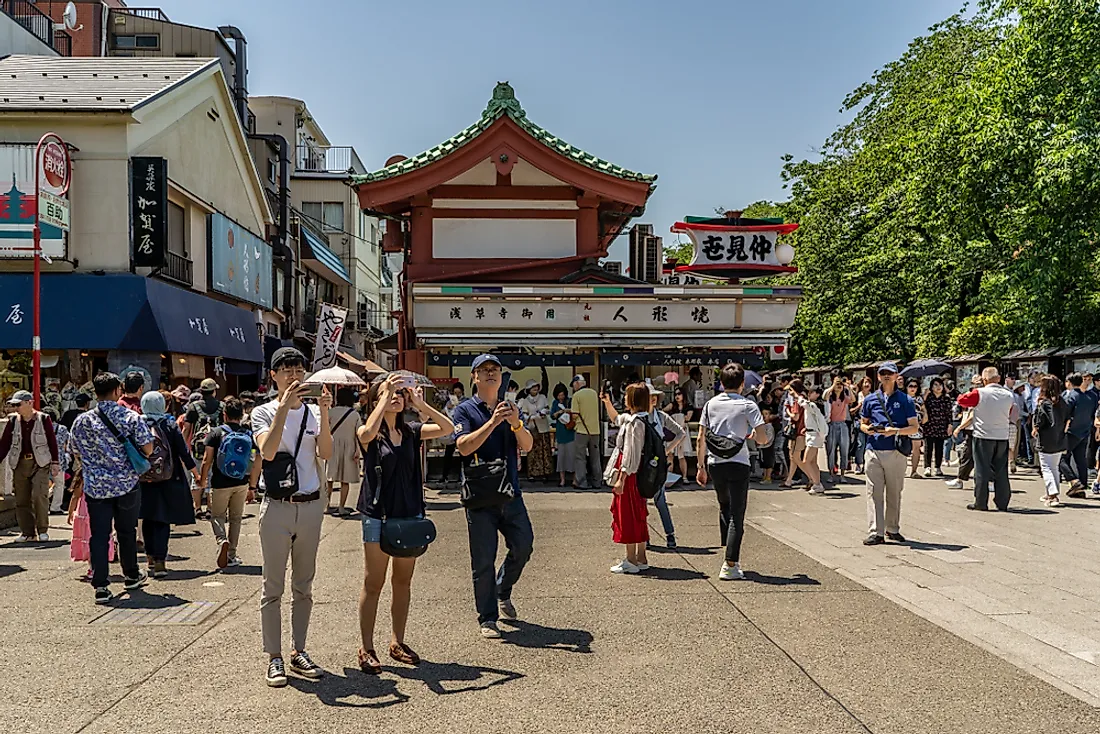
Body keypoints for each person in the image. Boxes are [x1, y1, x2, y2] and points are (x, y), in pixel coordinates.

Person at [355, 373, 455, 674]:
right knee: (373, 582)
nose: (397, 397)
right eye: (390, 393)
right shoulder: (370, 431)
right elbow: (366, 434)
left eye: (400, 393)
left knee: (403, 582)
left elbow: (448, 429)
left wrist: (422, 405)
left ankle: (397, 641)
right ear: (376, 399)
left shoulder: (412, 430)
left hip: (409, 513)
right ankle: (366, 647)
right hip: (377, 514)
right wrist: (384, 395)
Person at [252, 347, 333, 686]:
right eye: (284, 368)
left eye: (298, 367)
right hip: (277, 507)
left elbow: (325, 452)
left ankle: (299, 650)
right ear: (273, 375)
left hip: (311, 505)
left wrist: (325, 413)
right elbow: (268, 451)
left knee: (304, 585)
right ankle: (274, 656)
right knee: (273, 587)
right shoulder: (262, 412)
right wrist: (283, 409)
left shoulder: (314, 412)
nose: (293, 373)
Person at [453, 354, 535, 640]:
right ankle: (487, 617)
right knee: (483, 559)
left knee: (524, 546)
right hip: (479, 496)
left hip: (510, 493)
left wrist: (515, 423)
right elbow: (463, 447)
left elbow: (527, 445)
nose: (491, 373)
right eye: (484, 369)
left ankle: (503, 588)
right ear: (474, 376)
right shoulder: (464, 410)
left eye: (495, 370)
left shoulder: (510, 408)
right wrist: (492, 422)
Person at [69, 373, 155, 603]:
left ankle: (101, 585)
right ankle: (131, 575)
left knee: (99, 535)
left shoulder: (82, 421)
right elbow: (147, 448)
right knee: (126, 532)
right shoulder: (131, 417)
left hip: (96, 486)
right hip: (126, 484)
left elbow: (74, 450)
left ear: (95, 392)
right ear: (118, 390)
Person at [696, 363, 768, 581]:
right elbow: (763, 437)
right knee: (738, 513)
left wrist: (700, 467)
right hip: (739, 461)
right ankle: (730, 563)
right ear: (742, 384)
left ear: (721, 383)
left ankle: (727, 548)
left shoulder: (710, 404)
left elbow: (701, 437)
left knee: (724, 505)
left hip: (714, 462)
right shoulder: (748, 405)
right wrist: (753, 435)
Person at [602, 383, 685, 548]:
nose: (652, 400)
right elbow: (616, 419)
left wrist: (665, 450)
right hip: (640, 468)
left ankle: (669, 536)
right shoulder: (633, 418)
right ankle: (643, 540)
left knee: (659, 500)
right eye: (650, 397)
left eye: (654, 397)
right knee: (640, 505)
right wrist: (607, 402)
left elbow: (680, 433)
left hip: (653, 466)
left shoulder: (658, 417)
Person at [138, 391, 200, 578]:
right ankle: (160, 561)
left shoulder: (137, 423)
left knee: (147, 518)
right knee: (162, 520)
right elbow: (183, 452)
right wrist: (195, 473)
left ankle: (149, 557)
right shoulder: (169, 425)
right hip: (168, 478)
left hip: (142, 478)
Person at [859, 362, 918, 546]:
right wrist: (867, 429)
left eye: (889, 373)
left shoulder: (906, 400)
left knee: (894, 491)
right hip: (874, 448)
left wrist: (896, 431)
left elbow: (914, 427)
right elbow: (862, 422)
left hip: (895, 451)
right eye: (883, 373)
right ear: (878, 376)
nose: (886, 376)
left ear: (896, 376)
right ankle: (876, 531)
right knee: (874, 492)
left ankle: (892, 528)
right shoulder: (870, 399)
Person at [200, 396, 260, 569]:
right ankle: (232, 555)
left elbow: (206, 459)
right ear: (242, 415)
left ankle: (222, 540)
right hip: (241, 482)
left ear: (224, 415)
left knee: (217, 516)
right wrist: (253, 486)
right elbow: (257, 460)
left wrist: (203, 480)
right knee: (236, 518)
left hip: (220, 482)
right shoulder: (248, 433)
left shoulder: (216, 433)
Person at [0, 390, 61, 541]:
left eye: (18, 405)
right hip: (19, 462)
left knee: (40, 495)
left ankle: (42, 530)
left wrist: (55, 462)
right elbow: (4, 444)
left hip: (40, 462)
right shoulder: (13, 421)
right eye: (14, 405)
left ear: (29, 403)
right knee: (21, 499)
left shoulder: (43, 418)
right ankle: (27, 532)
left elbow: (52, 442)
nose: (16, 408)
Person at [607, 384, 654, 574]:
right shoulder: (644, 419)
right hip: (640, 473)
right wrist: (607, 402)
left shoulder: (635, 423)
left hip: (630, 475)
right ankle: (641, 557)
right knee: (639, 514)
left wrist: (622, 477)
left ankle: (631, 559)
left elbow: (630, 453)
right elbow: (617, 418)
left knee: (627, 515)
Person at [956, 367, 1015, 511]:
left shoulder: (979, 393)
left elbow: (961, 401)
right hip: (1002, 436)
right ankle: (1002, 502)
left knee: (982, 469)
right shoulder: (1008, 395)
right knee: (1001, 470)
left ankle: (981, 502)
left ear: (984, 380)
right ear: (999, 378)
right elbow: (1010, 411)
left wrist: (972, 389)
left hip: (983, 435)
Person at [183, 378, 223, 518]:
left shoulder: (193, 407)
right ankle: (210, 509)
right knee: (213, 477)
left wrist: (183, 448)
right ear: (214, 391)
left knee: (197, 477)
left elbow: (187, 429)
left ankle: (198, 508)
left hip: (198, 448)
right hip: (217, 448)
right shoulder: (221, 406)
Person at [1033, 375, 1071, 507]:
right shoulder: (1063, 402)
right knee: (1054, 467)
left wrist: (1035, 429)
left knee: (1046, 467)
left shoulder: (1043, 403)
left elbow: (1039, 421)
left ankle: (1053, 495)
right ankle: (1051, 493)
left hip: (1046, 439)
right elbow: (1068, 418)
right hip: (1060, 438)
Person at [325, 387, 363, 516]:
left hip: (332, 445)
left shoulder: (331, 412)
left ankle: (327, 505)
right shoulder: (355, 414)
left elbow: (324, 429)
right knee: (345, 480)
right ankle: (342, 507)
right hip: (350, 447)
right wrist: (358, 451)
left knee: (329, 478)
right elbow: (358, 434)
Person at [1059, 373, 1097, 499]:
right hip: (1085, 431)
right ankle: (1082, 486)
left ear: (1070, 382)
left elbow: (1066, 414)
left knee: (1061, 458)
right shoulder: (1091, 396)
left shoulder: (1072, 396)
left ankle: (1074, 481)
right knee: (1081, 460)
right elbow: (1093, 414)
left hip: (1071, 432)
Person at [946, 375, 982, 489]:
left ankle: (988, 482)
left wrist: (959, 427)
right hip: (971, 430)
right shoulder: (971, 394)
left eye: (979, 382)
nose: (975, 384)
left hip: (975, 429)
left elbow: (972, 417)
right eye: (974, 382)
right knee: (968, 456)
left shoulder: (980, 396)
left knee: (976, 457)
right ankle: (960, 479)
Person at [518, 379, 554, 481]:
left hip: (543, 427)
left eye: (536, 388)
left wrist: (543, 412)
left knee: (545, 451)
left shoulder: (542, 398)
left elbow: (547, 409)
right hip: (532, 428)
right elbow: (524, 415)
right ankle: (532, 473)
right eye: (533, 388)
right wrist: (533, 417)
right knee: (533, 451)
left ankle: (545, 473)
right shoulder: (525, 401)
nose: (535, 390)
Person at [570, 375, 601, 489]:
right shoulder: (594, 393)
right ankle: (597, 482)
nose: (573, 387)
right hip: (595, 430)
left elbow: (574, 415)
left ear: (577, 383)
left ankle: (581, 482)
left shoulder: (576, 395)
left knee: (580, 457)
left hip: (581, 430)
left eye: (573, 384)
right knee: (595, 457)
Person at [665, 387, 697, 485]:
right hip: (672, 431)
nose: (677, 396)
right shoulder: (672, 405)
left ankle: (684, 477)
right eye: (675, 394)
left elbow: (688, 418)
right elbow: (662, 412)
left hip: (682, 431)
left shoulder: (688, 406)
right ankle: (668, 477)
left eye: (679, 394)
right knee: (669, 454)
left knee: (681, 455)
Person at [922, 377, 953, 477]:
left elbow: (949, 413)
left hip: (941, 425)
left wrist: (950, 424)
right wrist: (924, 397)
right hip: (929, 425)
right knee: (928, 447)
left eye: (940, 385)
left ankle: (937, 467)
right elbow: (921, 407)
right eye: (935, 385)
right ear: (931, 387)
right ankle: (927, 467)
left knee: (939, 447)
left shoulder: (946, 398)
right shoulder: (929, 397)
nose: (938, 387)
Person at [824, 374, 853, 482]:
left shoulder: (844, 397)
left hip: (843, 424)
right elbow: (824, 396)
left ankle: (842, 474)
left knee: (844, 449)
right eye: (837, 384)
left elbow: (853, 399)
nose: (839, 386)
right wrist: (833, 385)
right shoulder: (830, 397)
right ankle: (831, 474)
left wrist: (847, 387)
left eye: (840, 384)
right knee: (831, 450)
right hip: (831, 425)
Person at [550, 384, 575, 488]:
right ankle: (562, 479)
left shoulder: (569, 401)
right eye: (559, 395)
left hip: (570, 432)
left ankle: (574, 479)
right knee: (561, 458)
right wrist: (559, 412)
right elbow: (552, 415)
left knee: (572, 457)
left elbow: (574, 412)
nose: (561, 397)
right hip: (560, 432)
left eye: (562, 395)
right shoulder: (555, 403)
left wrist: (566, 410)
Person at [441, 383, 467, 483]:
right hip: (452, 432)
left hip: (463, 431)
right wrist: (448, 407)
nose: (457, 395)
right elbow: (442, 413)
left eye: (459, 393)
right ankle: (444, 476)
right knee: (448, 455)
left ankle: (463, 476)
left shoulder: (466, 402)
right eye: (455, 393)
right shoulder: (449, 403)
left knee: (463, 455)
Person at [851, 376, 873, 474]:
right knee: (860, 444)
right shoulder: (856, 396)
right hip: (859, 422)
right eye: (865, 382)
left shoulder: (873, 396)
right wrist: (859, 405)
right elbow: (850, 411)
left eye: (869, 382)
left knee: (869, 445)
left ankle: (866, 464)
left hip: (870, 423)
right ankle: (858, 464)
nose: (867, 384)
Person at [905, 380, 927, 479]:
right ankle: (902, 470)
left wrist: (925, 417)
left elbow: (923, 409)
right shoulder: (902, 398)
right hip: (904, 425)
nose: (913, 388)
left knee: (916, 448)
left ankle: (914, 471)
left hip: (917, 425)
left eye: (915, 386)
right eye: (910, 386)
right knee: (902, 448)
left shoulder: (919, 399)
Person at [758, 407, 777, 483]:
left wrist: (764, 441)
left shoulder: (769, 426)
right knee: (764, 463)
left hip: (768, 446)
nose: (764, 416)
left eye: (766, 414)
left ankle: (768, 477)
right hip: (762, 446)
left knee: (768, 462)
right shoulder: (762, 426)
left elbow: (769, 437)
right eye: (762, 414)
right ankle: (765, 476)